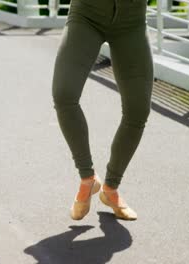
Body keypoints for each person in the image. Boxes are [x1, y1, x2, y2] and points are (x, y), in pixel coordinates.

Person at [51, 0, 153, 220]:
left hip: (131, 20)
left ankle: (111, 188)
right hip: (87, 14)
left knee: (138, 109)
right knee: (64, 94)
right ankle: (87, 178)